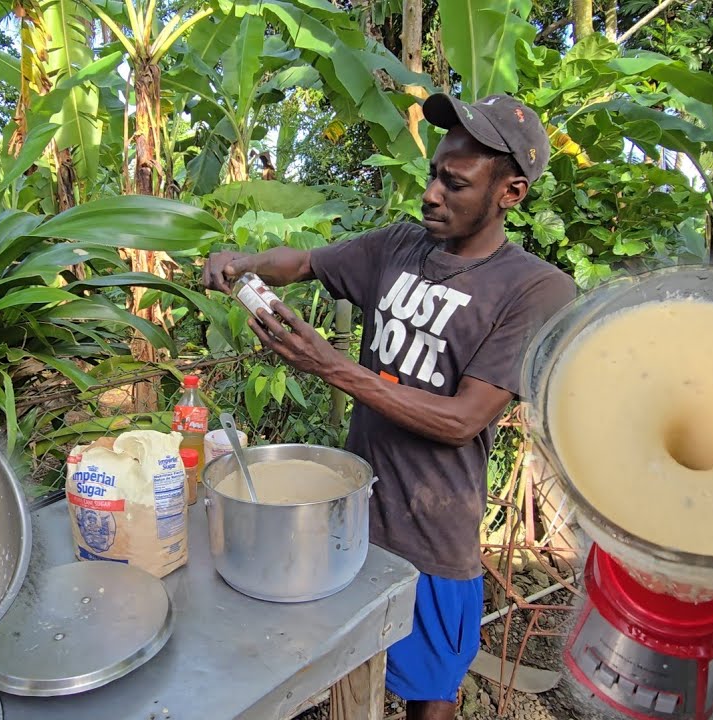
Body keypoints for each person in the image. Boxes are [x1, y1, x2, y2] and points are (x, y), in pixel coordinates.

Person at [202, 92, 578, 720]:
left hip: (434, 534)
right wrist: (241, 263)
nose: (432, 193)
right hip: (356, 516)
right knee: (352, 671)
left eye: (454, 184)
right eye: (434, 174)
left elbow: (463, 420)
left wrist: (333, 368)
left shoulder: (535, 288)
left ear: (510, 193)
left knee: (431, 692)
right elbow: (305, 262)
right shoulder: (399, 245)